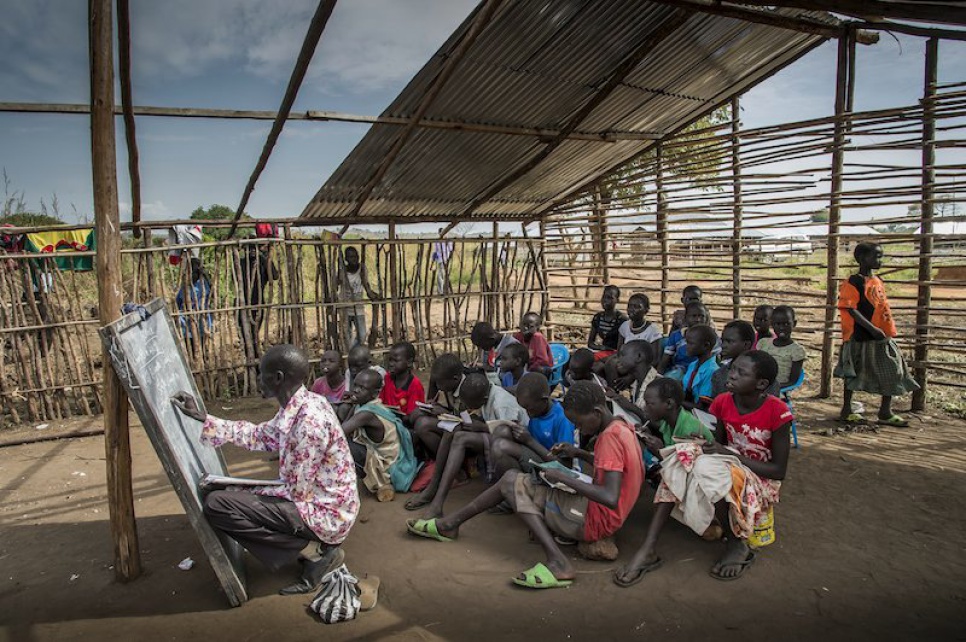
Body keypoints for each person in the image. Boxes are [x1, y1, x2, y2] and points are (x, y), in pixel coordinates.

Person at [405, 381, 643, 590]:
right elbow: (614, 471)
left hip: (596, 518)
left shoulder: (608, 439)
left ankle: (558, 563)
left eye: (579, 422)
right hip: (605, 512)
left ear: (597, 412)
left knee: (512, 484)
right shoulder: (621, 426)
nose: (579, 428)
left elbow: (610, 496)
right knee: (511, 478)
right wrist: (580, 453)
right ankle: (449, 524)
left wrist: (563, 478)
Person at [171, 345, 359, 596]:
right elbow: (260, 435)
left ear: (278, 378)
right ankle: (307, 548)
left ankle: (316, 553)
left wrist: (242, 490)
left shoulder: (308, 423)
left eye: (262, 373)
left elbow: (297, 493)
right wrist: (204, 418)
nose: (259, 379)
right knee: (228, 495)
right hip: (320, 500)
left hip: (326, 513)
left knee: (218, 504)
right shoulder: (302, 404)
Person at [614, 351, 791, 587]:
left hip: (760, 479)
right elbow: (717, 445)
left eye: (741, 372)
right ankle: (648, 548)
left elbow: (778, 471)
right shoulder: (723, 402)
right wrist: (701, 446)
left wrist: (724, 453)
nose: (732, 374)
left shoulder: (778, 411)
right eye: (733, 368)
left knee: (699, 467)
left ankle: (737, 544)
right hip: (727, 466)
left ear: (761, 384)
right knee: (681, 460)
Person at [404, 372, 529, 516]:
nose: (469, 407)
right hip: (495, 437)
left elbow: (509, 435)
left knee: (461, 438)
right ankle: (433, 487)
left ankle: (438, 502)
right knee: (450, 431)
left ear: (483, 399)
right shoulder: (486, 393)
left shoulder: (501, 405)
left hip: (513, 447)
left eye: (470, 404)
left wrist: (481, 427)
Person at [834, 242, 919, 426]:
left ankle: (885, 412)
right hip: (860, 336)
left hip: (882, 335)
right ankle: (846, 410)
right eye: (877, 256)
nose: (880, 260)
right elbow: (850, 308)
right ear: (862, 258)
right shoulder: (854, 282)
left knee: (893, 370)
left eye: (881, 256)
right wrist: (872, 329)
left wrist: (882, 329)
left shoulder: (877, 280)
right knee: (852, 373)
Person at [341, 369, 419, 502]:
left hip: (387, 468)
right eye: (355, 385)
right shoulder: (371, 405)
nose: (356, 390)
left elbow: (339, 433)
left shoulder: (366, 414)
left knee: (343, 445)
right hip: (388, 459)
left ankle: (380, 483)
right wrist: (354, 405)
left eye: (362, 388)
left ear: (375, 393)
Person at [488, 373, 576, 480]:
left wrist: (529, 440)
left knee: (500, 446)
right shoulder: (537, 411)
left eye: (530, 409)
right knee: (502, 431)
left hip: (552, 466)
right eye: (525, 409)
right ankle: (511, 479)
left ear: (544, 400)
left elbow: (565, 466)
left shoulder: (562, 419)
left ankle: (518, 483)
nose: (528, 414)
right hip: (536, 454)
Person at [409, 353, 465, 459]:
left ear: (455, 378)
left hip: (464, 426)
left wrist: (444, 412)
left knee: (423, 424)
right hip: (453, 417)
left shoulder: (467, 389)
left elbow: (468, 421)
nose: (438, 387)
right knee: (416, 413)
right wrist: (432, 404)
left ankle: (447, 459)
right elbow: (433, 390)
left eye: (440, 383)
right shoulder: (449, 381)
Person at [237, 240, 279, 359]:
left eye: (253, 248)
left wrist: (265, 259)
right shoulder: (240, 263)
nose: (251, 251)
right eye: (249, 248)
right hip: (244, 303)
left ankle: (254, 358)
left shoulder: (261, 262)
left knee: (253, 333)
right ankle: (252, 358)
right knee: (246, 334)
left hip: (256, 303)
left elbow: (275, 276)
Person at [336, 246, 381, 350]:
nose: (354, 259)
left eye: (356, 256)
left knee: (362, 335)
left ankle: (353, 352)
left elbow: (366, 284)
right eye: (351, 257)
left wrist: (372, 294)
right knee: (346, 334)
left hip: (358, 305)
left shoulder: (362, 268)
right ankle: (350, 353)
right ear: (346, 259)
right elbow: (336, 284)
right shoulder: (342, 270)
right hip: (345, 305)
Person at [659, 302, 718, 380]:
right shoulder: (676, 335)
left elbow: (717, 358)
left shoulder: (711, 336)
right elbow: (666, 357)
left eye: (701, 316)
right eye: (694, 316)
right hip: (680, 369)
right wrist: (659, 375)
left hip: (703, 371)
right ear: (686, 318)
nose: (698, 320)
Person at [606, 341, 660, 426]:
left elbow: (660, 426)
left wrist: (631, 407)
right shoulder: (637, 382)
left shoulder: (658, 386)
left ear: (639, 357)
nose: (618, 359)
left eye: (623, 355)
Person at [757, 305, 806, 390]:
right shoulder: (764, 343)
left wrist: (772, 388)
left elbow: (793, 381)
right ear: (772, 324)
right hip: (759, 386)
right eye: (777, 324)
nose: (782, 327)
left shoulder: (797, 351)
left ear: (794, 324)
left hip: (779, 389)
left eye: (786, 324)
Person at [175, 257, 213, 357]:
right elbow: (178, 301)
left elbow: (178, 301)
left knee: (193, 348)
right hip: (195, 323)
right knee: (197, 347)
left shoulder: (200, 284)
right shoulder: (203, 283)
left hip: (196, 322)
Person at [379, 341, 426, 416]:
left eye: (396, 360)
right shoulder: (387, 378)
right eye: (390, 360)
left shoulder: (415, 385)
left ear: (409, 362)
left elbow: (413, 415)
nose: (391, 364)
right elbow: (380, 402)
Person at [680, 325, 719, 409]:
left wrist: (677, 402)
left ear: (706, 346)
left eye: (691, 343)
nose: (686, 346)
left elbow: (702, 407)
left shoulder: (712, 371)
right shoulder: (693, 365)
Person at [617, 293, 662, 367]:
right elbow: (619, 353)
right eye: (629, 306)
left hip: (643, 368)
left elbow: (655, 360)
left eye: (637, 307)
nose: (631, 309)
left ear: (646, 310)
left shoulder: (653, 331)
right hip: (625, 365)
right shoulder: (624, 326)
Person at [588, 285, 627, 358]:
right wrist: (602, 348)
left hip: (618, 356)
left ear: (617, 300)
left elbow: (624, 347)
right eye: (604, 297)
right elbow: (590, 343)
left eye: (610, 298)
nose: (605, 300)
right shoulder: (597, 318)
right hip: (603, 353)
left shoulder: (622, 320)